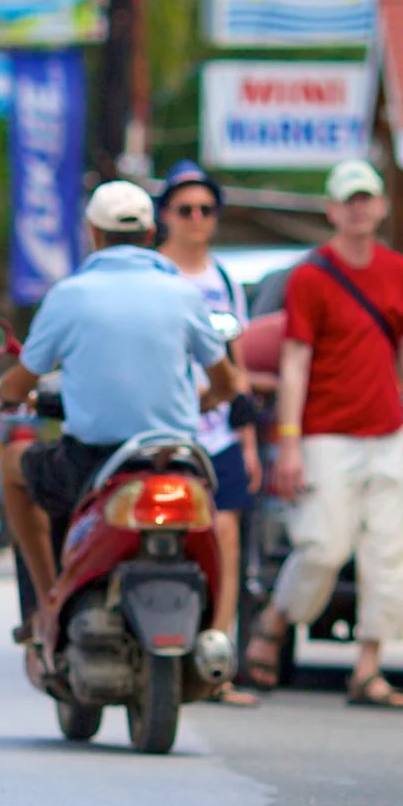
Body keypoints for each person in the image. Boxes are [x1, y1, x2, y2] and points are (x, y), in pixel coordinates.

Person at [0, 181, 245, 641]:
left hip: (92, 463)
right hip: (176, 459)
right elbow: (228, 384)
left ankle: (48, 602)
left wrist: (2, 393)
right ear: (150, 232)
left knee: (13, 464)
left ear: (93, 233)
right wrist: (200, 402)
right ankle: (217, 634)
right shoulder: (184, 294)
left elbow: (20, 382)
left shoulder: (70, 295)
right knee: (221, 525)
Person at [242, 159, 403, 710]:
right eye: (349, 200)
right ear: (332, 210)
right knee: (323, 546)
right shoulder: (311, 277)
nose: (358, 209)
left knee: (392, 550)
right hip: (326, 434)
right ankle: (277, 618)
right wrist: (289, 441)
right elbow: (295, 362)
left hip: (388, 432)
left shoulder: (398, 272)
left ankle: (369, 667)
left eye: (366, 199)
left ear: (381, 206)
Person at [151, 161, 263, 706]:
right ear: (165, 216)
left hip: (217, 435)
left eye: (206, 210)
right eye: (185, 209)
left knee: (225, 537)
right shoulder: (154, 275)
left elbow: (236, 363)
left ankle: (216, 664)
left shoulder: (225, 281)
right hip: (159, 430)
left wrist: (248, 439)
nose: (196, 219)